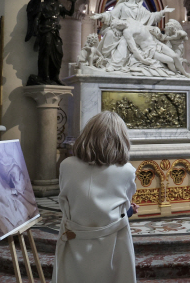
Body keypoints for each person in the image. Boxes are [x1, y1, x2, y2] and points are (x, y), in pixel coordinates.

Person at [52, 111, 137, 283]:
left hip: (74, 240)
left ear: (87, 134)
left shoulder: (67, 166)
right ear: (121, 138)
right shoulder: (127, 171)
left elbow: (68, 199)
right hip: (113, 243)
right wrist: (128, 211)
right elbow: (122, 207)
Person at [26, 0, 78, 85]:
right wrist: (35, 30)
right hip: (46, 31)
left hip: (55, 32)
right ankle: (45, 77)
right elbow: (37, 18)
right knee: (46, 54)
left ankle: (55, 77)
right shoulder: (42, 5)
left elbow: (70, 13)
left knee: (59, 54)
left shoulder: (59, 6)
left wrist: (73, 3)